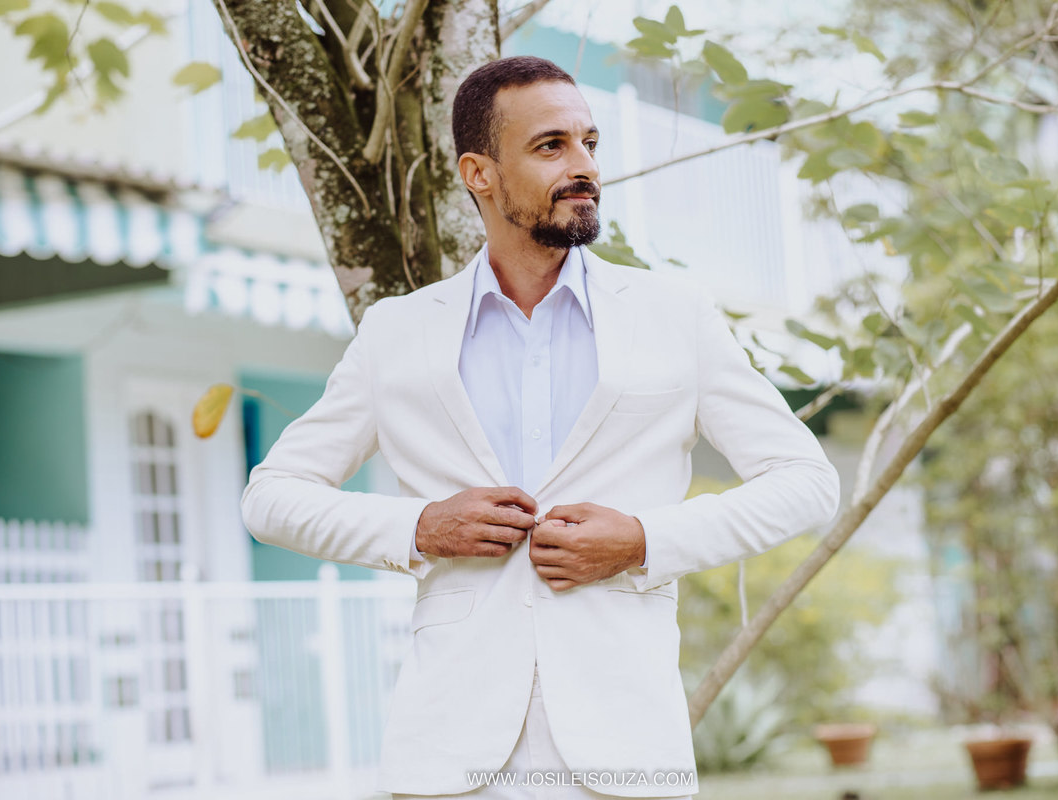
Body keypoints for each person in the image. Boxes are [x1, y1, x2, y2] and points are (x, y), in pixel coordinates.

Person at [241, 55, 839, 799]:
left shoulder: (674, 316)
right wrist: (420, 527)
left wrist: (645, 540)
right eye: (551, 146)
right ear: (479, 173)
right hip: (450, 756)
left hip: (627, 750)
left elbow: (806, 482)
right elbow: (271, 497)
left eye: (590, 143)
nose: (584, 166)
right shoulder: (398, 332)